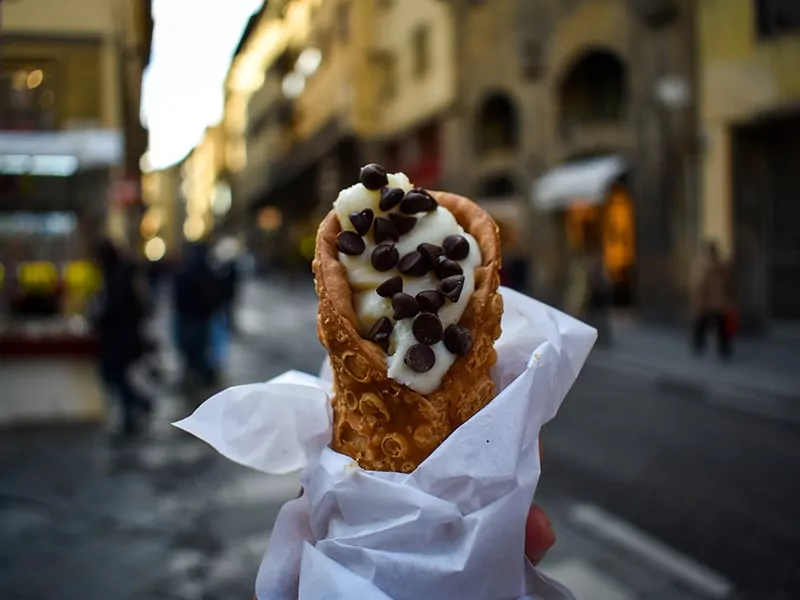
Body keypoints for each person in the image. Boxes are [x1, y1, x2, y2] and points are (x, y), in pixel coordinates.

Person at [90, 238, 153, 437]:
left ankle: (133, 413)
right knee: (118, 376)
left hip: (120, 337)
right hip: (123, 336)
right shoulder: (120, 274)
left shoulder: (118, 277)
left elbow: (115, 308)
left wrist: (99, 318)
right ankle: (138, 405)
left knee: (115, 376)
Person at [173, 241, 224, 389]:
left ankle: (204, 375)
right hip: (200, 318)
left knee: (192, 350)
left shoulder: (187, 269)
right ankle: (200, 375)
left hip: (190, 317)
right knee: (198, 350)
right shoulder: (207, 270)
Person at [691, 240, 732, 359]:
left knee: (720, 327)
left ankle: (722, 348)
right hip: (708, 303)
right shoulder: (703, 266)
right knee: (703, 325)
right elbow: (699, 285)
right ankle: (699, 344)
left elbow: (729, 284)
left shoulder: (720, 266)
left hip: (717, 303)